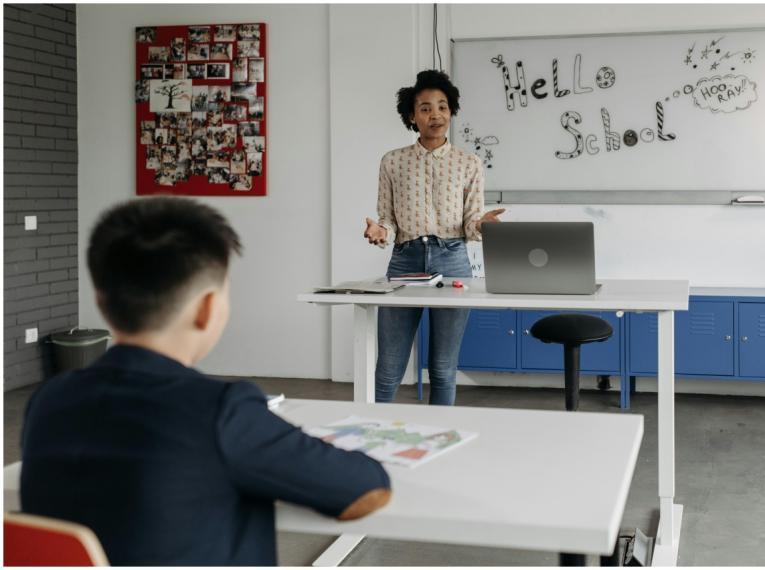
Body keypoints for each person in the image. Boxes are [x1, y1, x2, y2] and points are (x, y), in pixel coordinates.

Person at [20, 197, 391, 566]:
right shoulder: (222, 411)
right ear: (207, 308)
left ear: (102, 302)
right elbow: (365, 488)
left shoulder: (49, 399)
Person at [363, 69, 505, 405]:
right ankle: (372, 434)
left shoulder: (468, 163)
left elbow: (470, 221)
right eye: (425, 108)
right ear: (412, 116)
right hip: (405, 261)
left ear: (451, 111)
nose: (435, 114)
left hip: (452, 259)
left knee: (442, 368)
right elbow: (388, 220)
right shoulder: (392, 162)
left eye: (442, 106)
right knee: (388, 368)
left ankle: (440, 440)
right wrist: (380, 231)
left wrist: (482, 224)